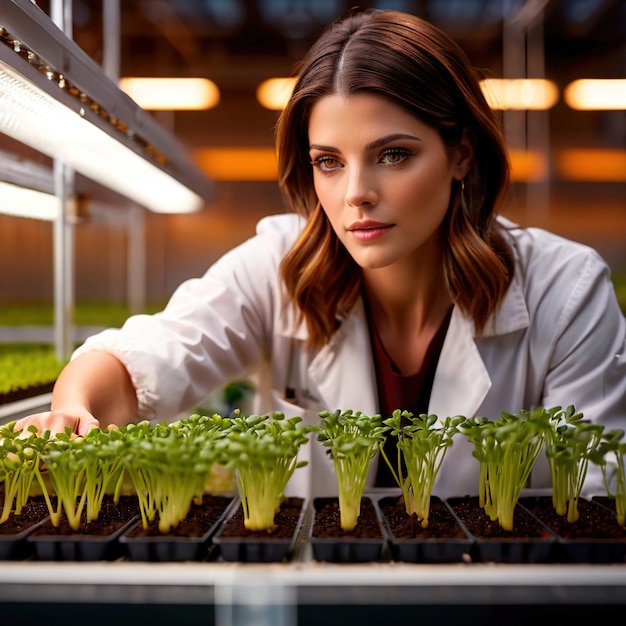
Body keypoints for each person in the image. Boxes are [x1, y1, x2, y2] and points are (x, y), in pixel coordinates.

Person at [14, 9, 626, 499]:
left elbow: (601, 500)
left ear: (461, 154)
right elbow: (147, 357)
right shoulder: (277, 265)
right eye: (329, 162)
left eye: (393, 154)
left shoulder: (563, 291)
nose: (356, 193)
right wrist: (73, 408)